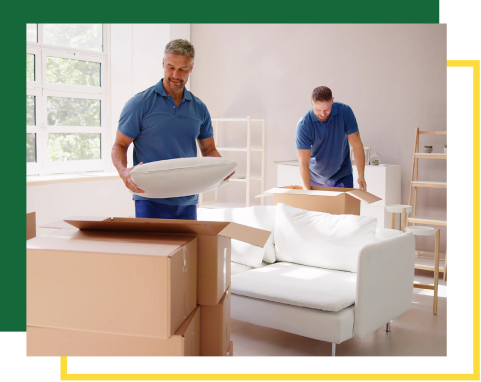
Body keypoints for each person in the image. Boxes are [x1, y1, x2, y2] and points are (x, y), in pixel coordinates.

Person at [111, 39, 233, 220]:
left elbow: (209, 150)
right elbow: (119, 145)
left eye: (182, 69)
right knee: (153, 249)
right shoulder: (140, 103)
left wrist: (222, 169)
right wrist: (124, 172)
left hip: (188, 198)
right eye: (170, 67)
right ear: (163, 63)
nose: (175, 74)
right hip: (150, 197)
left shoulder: (199, 108)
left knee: (187, 249)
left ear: (191, 67)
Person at [296, 86, 366, 191]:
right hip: (315, 178)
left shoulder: (345, 112)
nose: (323, 114)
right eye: (318, 109)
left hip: (342, 175)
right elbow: (303, 164)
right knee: (316, 208)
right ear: (312, 102)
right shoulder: (304, 124)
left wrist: (361, 176)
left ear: (332, 101)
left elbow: (356, 146)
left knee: (344, 208)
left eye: (326, 109)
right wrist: (307, 191)